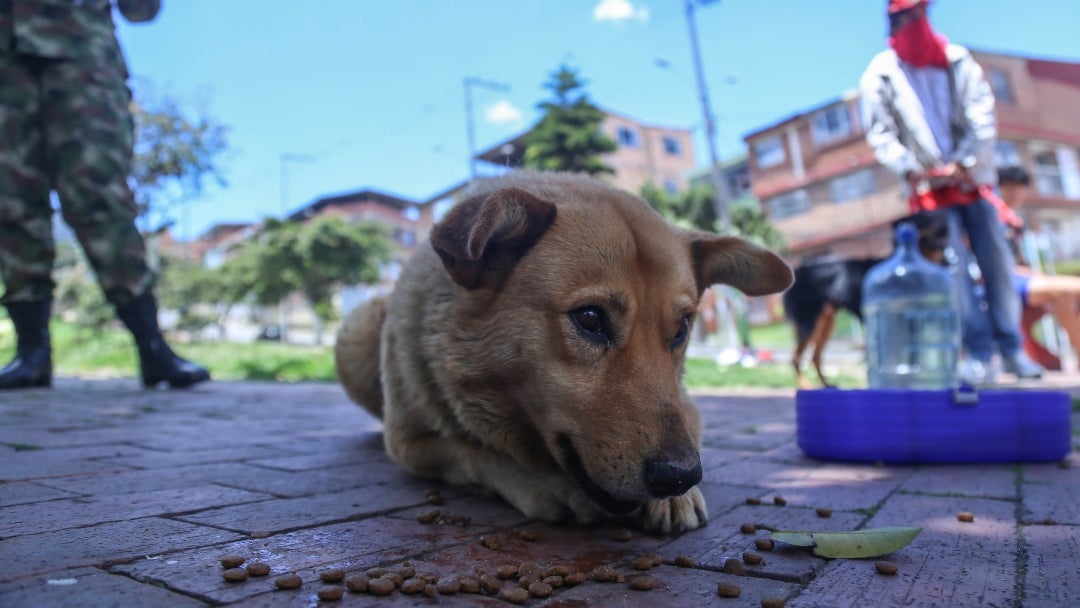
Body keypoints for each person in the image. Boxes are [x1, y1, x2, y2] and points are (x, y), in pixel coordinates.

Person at [0, 0, 209, 390]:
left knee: (100, 195)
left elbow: (141, 10)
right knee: (11, 202)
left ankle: (152, 347)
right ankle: (31, 353)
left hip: (80, 57)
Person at [859, 0, 1043, 384]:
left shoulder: (956, 60)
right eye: (903, 17)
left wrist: (966, 161)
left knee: (997, 263)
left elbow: (982, 115)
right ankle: (979, 353)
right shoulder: (881, 74)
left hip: (973, 184)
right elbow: (882, 136)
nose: (911, 23)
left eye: (917, 15)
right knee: (954, 270)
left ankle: (1012, 349)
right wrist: (916, 168)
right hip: (928, 191)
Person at [997, 166, 1080, 363]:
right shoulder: (989, 216)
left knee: (1071, 292)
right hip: (1000, 283)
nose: (1014, 193)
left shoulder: (1014, 220)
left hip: (1019, 278)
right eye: (1008, 187)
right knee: (1067, 290)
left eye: (1019, 187)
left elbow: (1017, 260)